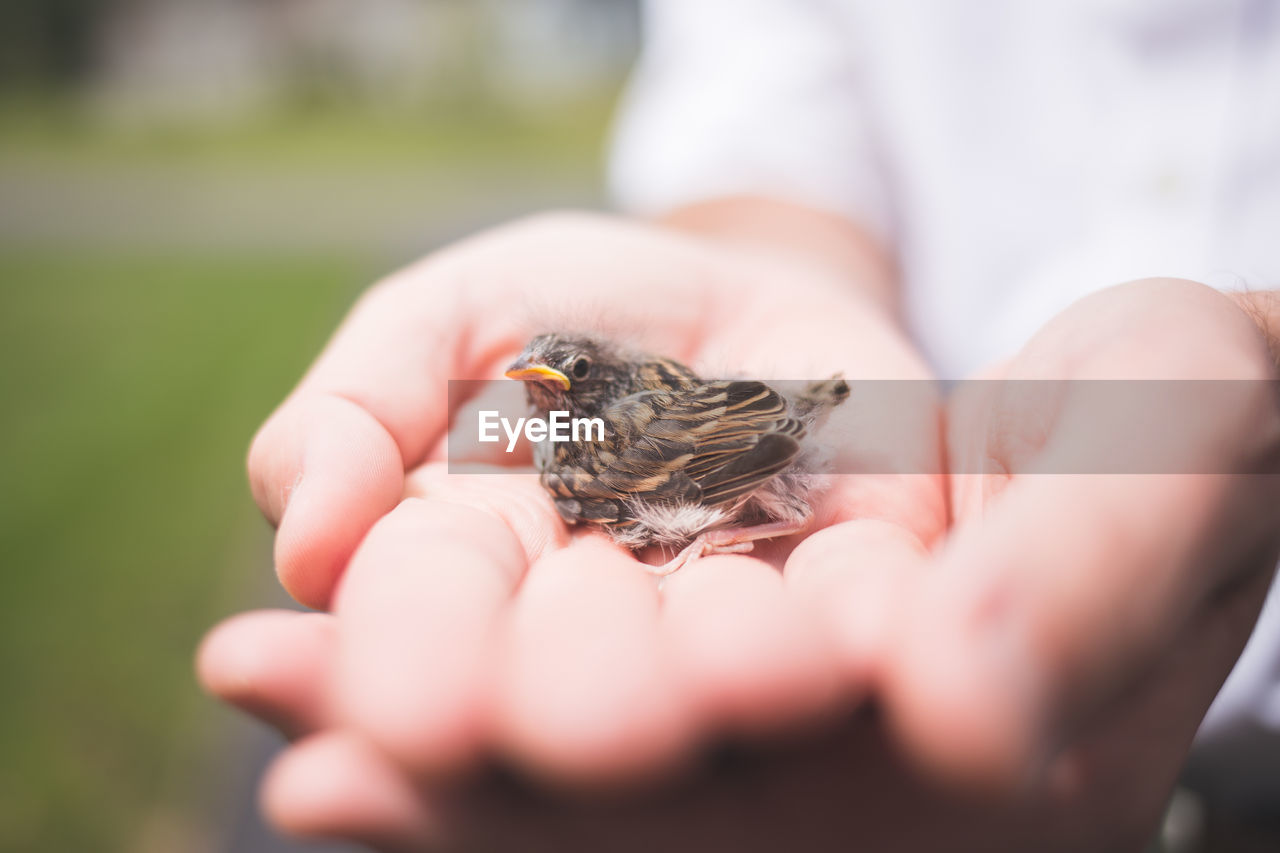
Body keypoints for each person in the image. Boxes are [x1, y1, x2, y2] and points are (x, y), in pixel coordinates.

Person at [197, 1, 1280, 849]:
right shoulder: (578, 432)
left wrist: (1258, 349)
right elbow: (767, 133)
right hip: (864, 470)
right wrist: (768, 277)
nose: (531, 394)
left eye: (552, 379)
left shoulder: (603, 441)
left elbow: (695, 450)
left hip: (908, 513)